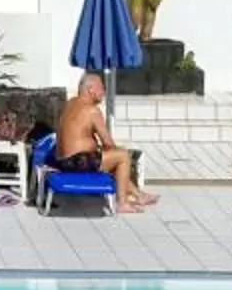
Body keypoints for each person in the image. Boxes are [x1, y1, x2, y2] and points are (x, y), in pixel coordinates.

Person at [53, 74, 157, 210]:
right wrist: (115, 150)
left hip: (62, 160)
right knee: (122, 156)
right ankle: (123, 203)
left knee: (109, 158)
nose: (104, 92)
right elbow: (108, 143)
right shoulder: (92, 111)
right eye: (101, 88)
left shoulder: (71, 103)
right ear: (90, 89)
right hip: (78, 161)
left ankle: (138, 195)